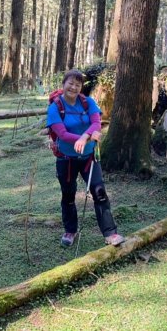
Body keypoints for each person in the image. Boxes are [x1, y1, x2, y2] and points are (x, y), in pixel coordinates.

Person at [47, 69, 125, 248]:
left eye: (78, 84)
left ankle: (110, 234)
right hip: (66, 158)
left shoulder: (87, 102)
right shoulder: (55, 107)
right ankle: (70, 231)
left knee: (99, 192)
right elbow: (63, 134)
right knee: (68, 195)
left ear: (81, 87)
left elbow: (97, 123)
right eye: (70, 83)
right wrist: (86, 136)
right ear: (64, 84)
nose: (73, 87)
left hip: (89, 157)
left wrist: (84, 138)